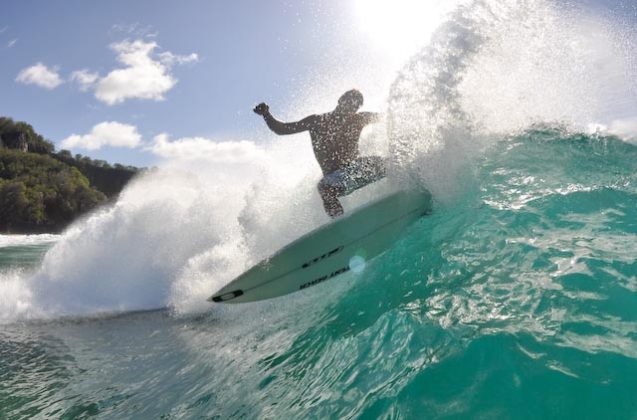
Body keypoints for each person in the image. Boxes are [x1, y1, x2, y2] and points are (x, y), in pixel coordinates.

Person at [254, 89, 386, 218]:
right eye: (349, 102)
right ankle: (339, 223)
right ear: (340, 100)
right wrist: (266, 114)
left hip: (357, 170)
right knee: (324, 187)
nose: (352, 107)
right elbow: (282, 129)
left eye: (356, 106)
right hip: (336, 179)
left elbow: (389, 116)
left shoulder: (359, 119)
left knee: (388, 162)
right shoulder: (316, 122)